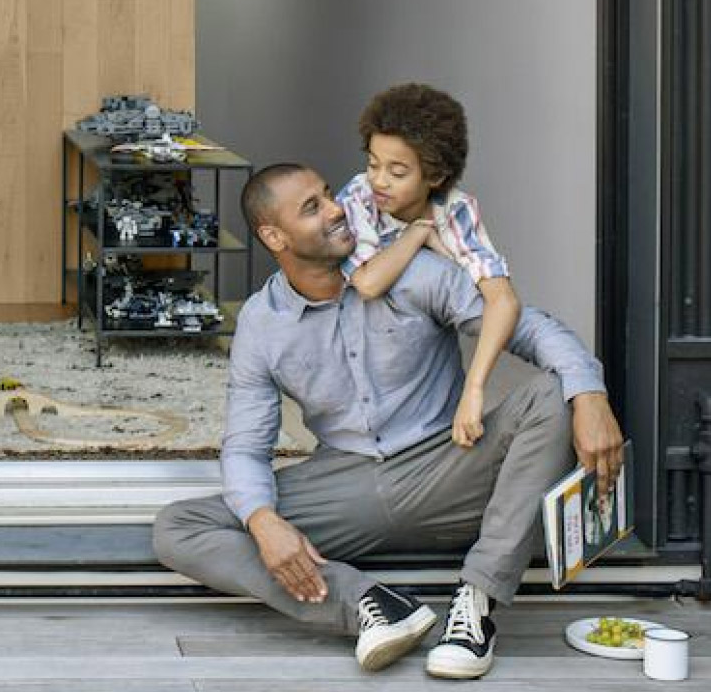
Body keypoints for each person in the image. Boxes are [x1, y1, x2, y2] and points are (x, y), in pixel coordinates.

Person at [152, 163, 624, 680]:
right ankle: (371, 606)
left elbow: (531, 328)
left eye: (328, 195)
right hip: (347, 487)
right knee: (179, 527)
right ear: (274, 236)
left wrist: (591, 395)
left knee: (553, 394)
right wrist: (264, 523)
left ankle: (476, 602)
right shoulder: (263, 324)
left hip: (449, 468)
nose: (336, 210)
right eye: (312, 207)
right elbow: (245, 447)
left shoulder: (415, 274)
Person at [339, 83, 518, 451]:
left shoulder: (456, 210)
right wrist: (418, 235)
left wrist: (475, 389)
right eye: (373, 164)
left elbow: (503, 301)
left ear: (435, 176)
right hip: (358, 372)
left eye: (397, 171)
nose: (379, 180)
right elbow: (369, 283)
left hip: (426, 369)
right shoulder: (358, 196)